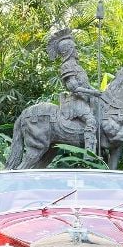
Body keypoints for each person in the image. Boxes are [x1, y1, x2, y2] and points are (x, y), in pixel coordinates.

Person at [46, 28, 101, 156]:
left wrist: (97, 92)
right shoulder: (66, 66)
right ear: (69, 50)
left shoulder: (78, 66)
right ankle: (90, 154)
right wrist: (92, 93)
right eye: (74, 48)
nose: (77, 51)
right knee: (91, 121)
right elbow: (73, 88)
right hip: (75, 102)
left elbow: (86, 85)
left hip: (85, 99)